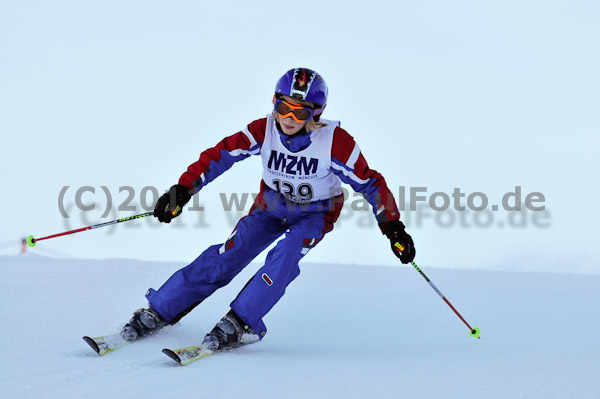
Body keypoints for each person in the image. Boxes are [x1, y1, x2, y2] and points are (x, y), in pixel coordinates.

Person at [120, 67, 416, 350]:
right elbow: (220, 155)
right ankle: (160, 309)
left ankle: (241, 321)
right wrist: (183, 190)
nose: (287, 118)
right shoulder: (264, 130)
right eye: (282, 106)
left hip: (315, 213)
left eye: (298, 112)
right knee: (230, 253)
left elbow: (371, 183)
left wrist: (392, 227)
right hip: (270, 206)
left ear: (315, 113)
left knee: (285, 255)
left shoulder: (335, 142)